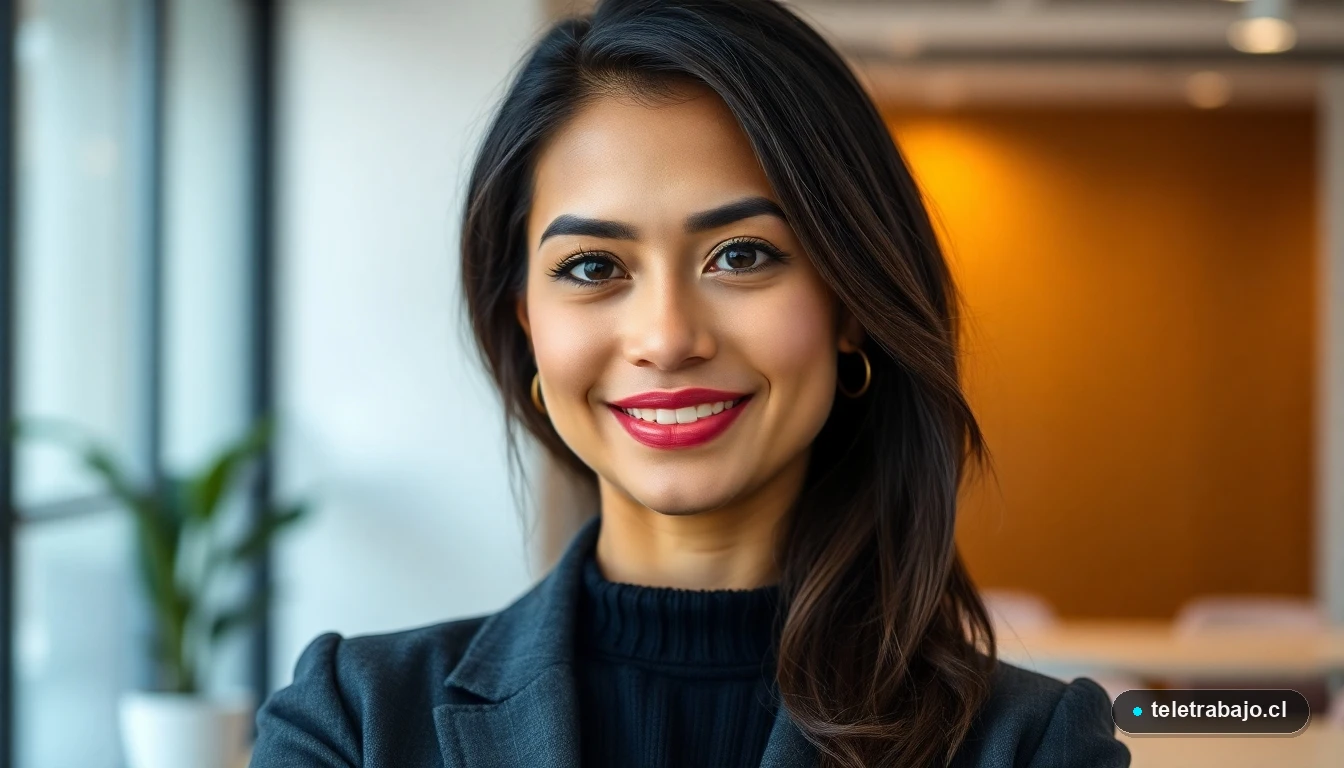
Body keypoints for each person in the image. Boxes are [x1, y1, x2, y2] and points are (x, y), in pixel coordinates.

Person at [250, 0, 1130, 766]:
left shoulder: (1030, 745)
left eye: (741, 256)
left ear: (850, 303)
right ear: (527, 325)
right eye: (593, 267)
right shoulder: (353, 722)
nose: (668, 339)